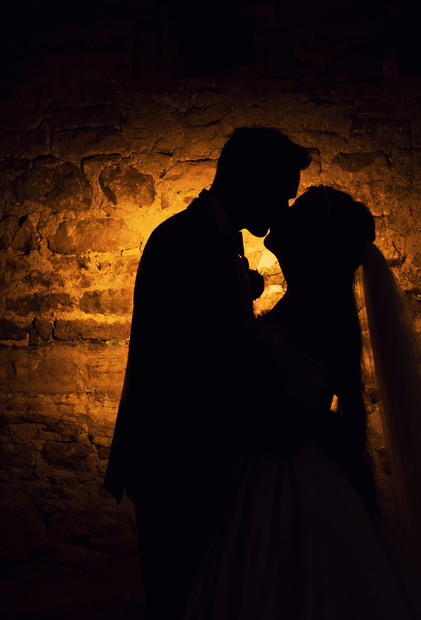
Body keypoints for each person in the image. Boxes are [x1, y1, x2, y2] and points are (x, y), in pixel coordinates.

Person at [185, 186, 421, 620]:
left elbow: (295, 413)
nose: (283, 215)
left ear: (311, 241)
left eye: (296, 214)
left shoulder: (321, 312)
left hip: (288, 473)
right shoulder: (307, 301)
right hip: (269, 465)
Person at [103, 127, 311, 620]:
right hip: (178, 462)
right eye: (280, 194)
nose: (283, 209)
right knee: (182, 598)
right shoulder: (183, 241)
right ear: (250, 180)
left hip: (197, 457)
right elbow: (211, 360)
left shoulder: (213, 239)